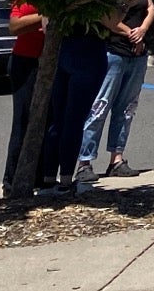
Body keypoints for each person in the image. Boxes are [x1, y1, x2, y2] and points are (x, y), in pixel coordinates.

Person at [74, 0, 154, 188]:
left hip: (137, 55)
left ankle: (116, 159)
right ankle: (84, 162)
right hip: (114, 52)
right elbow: (107, 18)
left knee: (126, 109)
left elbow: (150, 8)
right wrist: (131, 34)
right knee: (100, 107)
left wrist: (143, 31)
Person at [39, 23, 108, 193]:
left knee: (58, 119)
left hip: (62, 49)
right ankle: (66, 181)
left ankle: (49, 178)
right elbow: (110, 21)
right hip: (88, 52)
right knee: (74, 120)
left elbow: (47, 25)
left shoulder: (57, 2)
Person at [4, 0, 48, 195]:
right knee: (23, 120)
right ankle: (12, 181)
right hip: (25, 60)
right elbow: (14, 25)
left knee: (48, 121)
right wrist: (45, 17)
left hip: (50, 60)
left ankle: (40, 177)